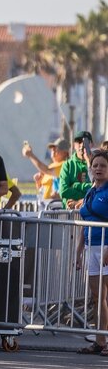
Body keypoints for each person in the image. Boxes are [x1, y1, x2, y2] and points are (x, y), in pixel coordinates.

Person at [76, 150, 108, 356]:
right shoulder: (91, 190)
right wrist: (79, 250)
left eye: (103, 165)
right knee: (97, 297)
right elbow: (84, 223)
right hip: (91, 248)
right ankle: (100, 340)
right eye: (95, 165)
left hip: (106, 247)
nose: (98, 168)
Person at [22, 138, 69, 210]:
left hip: (55, 206)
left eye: (56, 148)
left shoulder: (64, 165)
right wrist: (38, 182)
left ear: (65, 152)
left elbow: (46, 170)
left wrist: (30, 155)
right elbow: (42, 188)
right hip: (45, 205)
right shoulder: (51, 166)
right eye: (52, 148)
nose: (53, 150)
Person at [59, 131, 94, 208]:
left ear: (91, 144)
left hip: (92, 213)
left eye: (86, 142)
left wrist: (76, 186)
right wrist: (87, 195)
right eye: (79, 142)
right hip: (70, 214)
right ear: (74, 145)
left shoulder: (97, 164)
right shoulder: (67, 165)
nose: (82, 145)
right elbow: (63, 191)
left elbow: (99, 189)